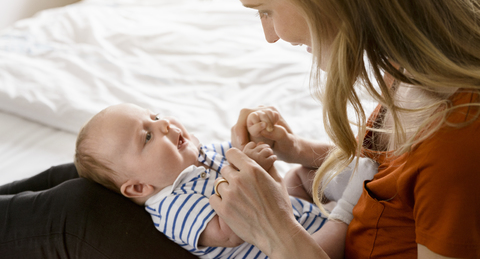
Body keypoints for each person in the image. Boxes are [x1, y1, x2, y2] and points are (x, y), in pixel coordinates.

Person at [207, 0, 480, 258]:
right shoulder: (409, 63)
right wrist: (298, 150)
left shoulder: (457, 136)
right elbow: (386, 175)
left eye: (265, 10)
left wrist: (276, 232)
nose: (271, 35)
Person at [73, 102, 377, 259]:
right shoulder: (171, 206)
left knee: (300, 176)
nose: (164, 124)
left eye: (155, 116)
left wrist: (258, 142)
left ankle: (343, 183)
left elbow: (252, 166)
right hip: (287, 250)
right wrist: (253, 169)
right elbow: (228, 232)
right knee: (328, 240)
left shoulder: (203, 152)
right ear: (139, 187)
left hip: (291, 215)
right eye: (148, 136)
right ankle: (348, 209)